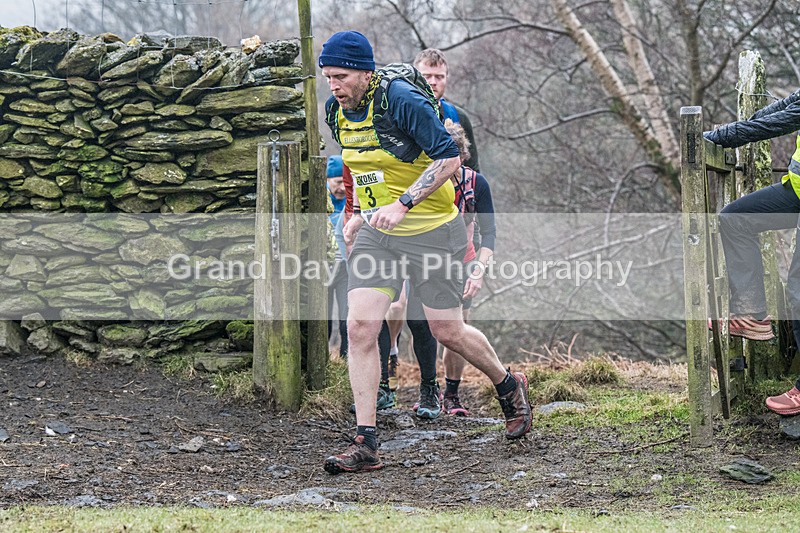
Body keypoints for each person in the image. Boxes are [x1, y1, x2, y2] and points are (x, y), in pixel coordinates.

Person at [318, 30, 532, 474]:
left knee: (447, 330)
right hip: (380, 235)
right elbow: (358, 161)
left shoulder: (401, 101)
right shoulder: (336, 110)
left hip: (434, 230)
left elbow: (450, 158)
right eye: (327, 77)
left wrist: (403, 203)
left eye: (340, 76)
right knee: (360, 326)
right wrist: (355, 211)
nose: (333, 86)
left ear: (365, 71)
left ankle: (508, 384)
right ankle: (366, 441)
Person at [704, 89, 800, 416]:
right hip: (796, 194)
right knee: (735, 219)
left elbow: (771, 127)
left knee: (799, 294)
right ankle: (752, 313)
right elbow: (776, 112)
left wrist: (708, 138)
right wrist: (730, 129)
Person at [414, 48, 480, 172]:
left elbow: (473, 171)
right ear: (415, 78)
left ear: (446, 78)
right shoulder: (398, 115)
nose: (433, 82)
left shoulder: (459, 117)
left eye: (439, 77)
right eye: (426, 76)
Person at [326, 155, 349, 358]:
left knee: (347, 318)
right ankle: (321, 361)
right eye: (337, 181)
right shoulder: (319, 199)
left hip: (345, 268)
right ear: (327, 180)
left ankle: (346, 361)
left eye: (345, 180)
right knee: (322, 319)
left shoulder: (352, 200)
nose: (342, 187)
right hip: (320, 268)